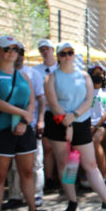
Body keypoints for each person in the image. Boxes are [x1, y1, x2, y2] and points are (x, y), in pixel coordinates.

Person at [0, 35, 52, 211]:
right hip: (0, 130)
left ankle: (33, 210)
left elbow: (31, 101)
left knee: (27, 172)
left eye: (15, 49)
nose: (12, 52)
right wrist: (23, 115)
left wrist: (23, 122)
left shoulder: (24, 76)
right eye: (7, 48)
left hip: (22, 130)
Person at [44, 42, 106, 211]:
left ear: (74, 55)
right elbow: (53, 103)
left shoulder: (84, 76)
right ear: (58, 56)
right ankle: (72, 201)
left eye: (70, 53)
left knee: (90, 164)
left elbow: (88, 100)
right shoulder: (51, 77)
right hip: (58, 122)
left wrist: (73, 119)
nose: (67, 56)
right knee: (65, 164)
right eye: (63, 53)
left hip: (79, 121)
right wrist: (67, 123)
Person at [3, 43, 46, 209]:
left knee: (35, 163)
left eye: (20, 52)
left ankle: (36, 195)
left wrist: (41, 120)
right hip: (8, 126)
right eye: (13, 51)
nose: (17, 55)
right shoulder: (2, 73)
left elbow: (41, 99)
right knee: (13, 165)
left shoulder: (32, 73)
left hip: (30, 125)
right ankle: (15, 195)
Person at [33, 39, 58, 189]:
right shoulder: (36, 70)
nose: (45, 51)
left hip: (61, 112)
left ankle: (66, 181)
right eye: (42, 49)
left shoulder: (61, 68)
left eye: (47, 49)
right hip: (44, 113)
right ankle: (49, 179)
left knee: (65, 149)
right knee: (47, 147)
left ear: (52, 50)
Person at [88, 64, 106, 182]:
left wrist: (97, 125)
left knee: (95, 140)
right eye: (95, 74)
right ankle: (86, 176)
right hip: (89, 123)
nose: (98, 76)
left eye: (100, 73)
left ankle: (103, 177)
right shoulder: (87, 90)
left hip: (104, 123)